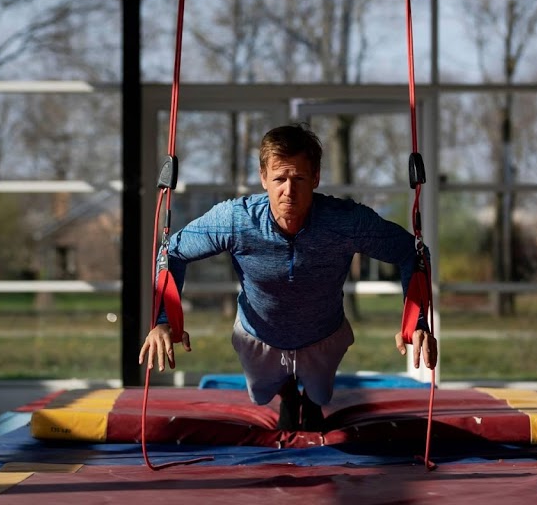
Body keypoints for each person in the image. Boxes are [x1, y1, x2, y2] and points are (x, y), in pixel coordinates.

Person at [139, 123, 438, 431]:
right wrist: (164, 321)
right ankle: (286, 393)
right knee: (261, 394)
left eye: (299, 178)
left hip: (324, 335)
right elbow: (171, 251)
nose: (289, 191)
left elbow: (412, 253)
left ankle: (308, 397)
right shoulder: (235, 220)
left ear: (316, 178)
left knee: (320, 395)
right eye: (280, 178)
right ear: (263, 178)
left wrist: (416, 324)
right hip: (257, 335)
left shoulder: (346, 222)